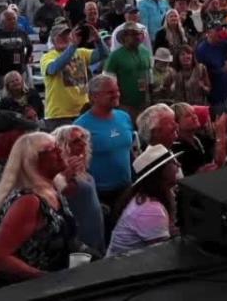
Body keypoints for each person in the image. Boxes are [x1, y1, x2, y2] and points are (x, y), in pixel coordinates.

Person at [0, 132, 79, 290]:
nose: (61, 151)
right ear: (33, 160)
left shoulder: (52, 190)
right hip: (24, 290)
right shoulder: (28, 201)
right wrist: (45, 279)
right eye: (52, 149)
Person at [106, 144, 182, 256]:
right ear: (162, 172)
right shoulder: (151, 209)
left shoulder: (155, 196)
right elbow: (163, 254)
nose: (178, 165)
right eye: (173, 162)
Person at [73, 76, 135, 211]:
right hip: (99, 195)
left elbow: (130, 150)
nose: (117, 95)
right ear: (94, 97)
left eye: (117, 90)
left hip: (127, 188)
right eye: (110, 92)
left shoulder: (124, 117)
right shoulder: (80, 127)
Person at [39, 23, 109, 131]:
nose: (64, 38)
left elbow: (104, 54)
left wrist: (98, 39)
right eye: (60, 36)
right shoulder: (48, 56)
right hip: (59, 115)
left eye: (67, 35)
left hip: (82, 111)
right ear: (53, 40)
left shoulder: (80, 52)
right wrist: (72, 47)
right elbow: (53, 68)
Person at [52, 125, 106, 256]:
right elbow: (56, 198)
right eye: (76, 141)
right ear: (63, 146)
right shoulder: (62, 172)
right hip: (80, 236)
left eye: (83, 138)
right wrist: (64, 176)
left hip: (95, 228)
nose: (83, 143)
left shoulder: (79, 166)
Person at [194, 21, 227, 116]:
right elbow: (202, 74)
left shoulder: (222, 44)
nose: (220, 32)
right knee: (220, 118)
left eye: (221, 30)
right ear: (209, 32)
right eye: (217, 30)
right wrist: (222, 70)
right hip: (215, 93)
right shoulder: (202, 50)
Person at [103, 22, 153, 120]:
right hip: (124, 105)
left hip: (145, 103)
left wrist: (151, 96)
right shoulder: (115, 56)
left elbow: (150, 74)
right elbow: (107, 82)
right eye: (133, 34)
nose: (137, 37)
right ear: (125, 37)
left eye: (139, 34)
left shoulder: (146, 52)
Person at [170, 102, 227, 175]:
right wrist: (220, 133)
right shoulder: (176, 147)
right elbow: (219, 163)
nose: (194, 117)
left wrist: (223, 132)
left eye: (194, 113)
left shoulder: (199, 138)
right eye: (188, 116)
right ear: (177, 123)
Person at [0, 9, 32, 85]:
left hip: (20, 71)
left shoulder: (21, 33)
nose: (12, 21)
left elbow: (29, 47)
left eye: (14, 18)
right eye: (9, 19)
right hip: (3, 72)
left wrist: (25, 60)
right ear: (3, 21)